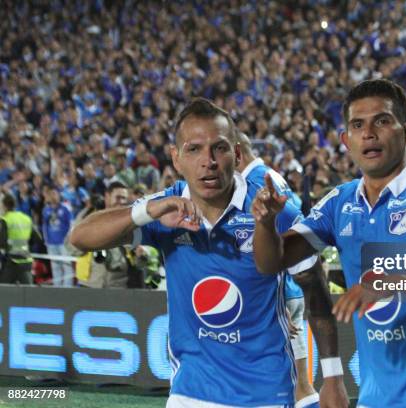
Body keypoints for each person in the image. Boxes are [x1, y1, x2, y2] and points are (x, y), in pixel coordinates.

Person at [69, 98, 348, 408]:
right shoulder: (167, 209)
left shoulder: (272, 209)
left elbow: (315, 288)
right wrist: (146, 210)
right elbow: (80, 238)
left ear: (237, 154)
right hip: (190, 393)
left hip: (264, 394)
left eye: (219, 148)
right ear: (176, 158)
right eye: (194, 149)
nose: (208, 161)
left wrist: (333, 377)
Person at [251, 79, 406, 408]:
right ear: (346, 140)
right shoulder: (339, 203)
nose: (369, 133)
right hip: (376, 398)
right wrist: (265, 223)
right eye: (358, 125)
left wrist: (391, 284)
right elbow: (270, 261)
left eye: (382, 121)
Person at [236, 132, 323, 408]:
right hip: (291, 287)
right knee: (300, 383)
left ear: (236, 153)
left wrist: (277, 295)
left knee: (269, 384)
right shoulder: (273, 176)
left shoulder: (253, 183)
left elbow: (279, 239)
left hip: (278, 292)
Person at [67, 181, 133, 288]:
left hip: (117, 285)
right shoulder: (88, 216)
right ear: (107, 196)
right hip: (89, 284)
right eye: (118, 197)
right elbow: (70, 245)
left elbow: (135, 254)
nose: (121, 202)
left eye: (124, 198)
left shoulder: (131, 219)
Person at [0, 193, 39, 284]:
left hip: (12, 262)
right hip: (26, 260)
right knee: (28, 291)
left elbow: (2, 242)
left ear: (4, 206)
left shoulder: (5, 219)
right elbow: (37, 239)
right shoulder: (26, 218)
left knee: (3, 290)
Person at [42, 186, 74, 287]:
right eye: (50, 194)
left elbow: (71, 224)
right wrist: (46, 241)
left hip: (63, 243)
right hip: (51, 243)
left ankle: (67, 290)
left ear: (59, 195)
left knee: (67, 266)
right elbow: (44, 226)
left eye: (54, 193)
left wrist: (69, 240)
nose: (52, 196)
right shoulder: (46, 210)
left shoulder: (65, 208)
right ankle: (57, 289)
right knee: (55, 267)